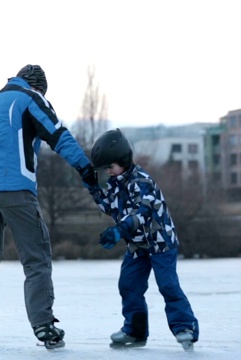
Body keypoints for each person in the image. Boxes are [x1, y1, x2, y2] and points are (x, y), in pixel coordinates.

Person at [0, 64, 93, 350]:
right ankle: (43, 325)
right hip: (16, 188)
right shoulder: (30, 98)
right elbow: (57, 134)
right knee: (36, 258)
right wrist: (85, 167)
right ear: (38, 86)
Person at [80, 128, 199, 352]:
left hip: (160, 243)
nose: (109, 172)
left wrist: (119, 230)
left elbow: (142, 212)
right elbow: (110, 206)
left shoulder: (142, 181)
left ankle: (185, 327)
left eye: (110, 167)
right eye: (105, 169)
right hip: (137, 246)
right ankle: (135, 331)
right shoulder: (117, 185)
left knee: (168, 285)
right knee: (128, 285)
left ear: (123, 160)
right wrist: (94, 189)